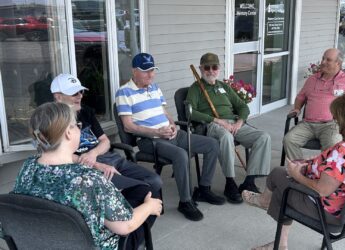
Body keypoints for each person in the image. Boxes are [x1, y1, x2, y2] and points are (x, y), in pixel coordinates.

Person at [13, 102, 163, 249]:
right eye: (77, 125)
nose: (80, 128)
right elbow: (124, 226)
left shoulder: (28, 167)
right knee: (150, 194)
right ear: (68, 133)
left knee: (138, 190)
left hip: (43, 239)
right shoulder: (88, 179)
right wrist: (149, 207)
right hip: (91, 243)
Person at [242, 92, 345, 250]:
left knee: (279, 178)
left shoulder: (344, 153)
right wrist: (318, 162)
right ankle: (278, 239)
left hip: (330, 212)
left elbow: (322, 190)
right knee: (286, 179)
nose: (335, 121)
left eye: (337, 118)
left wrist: (296, 175)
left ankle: (265, 203)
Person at [115, 53, 225, 222]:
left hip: (171, 133)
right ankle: (185, 202)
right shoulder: (124, 92)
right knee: (181, 154)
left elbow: (165, 113)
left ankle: (204, 189)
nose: (150, 74)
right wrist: (156, 133)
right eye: (145, 71)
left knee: (212, 144)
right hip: (149, 140)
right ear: (134, 71)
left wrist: (172, 125)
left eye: (152, 70)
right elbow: (128, 126)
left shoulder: (155, 87)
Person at [50, 73, 162, 218]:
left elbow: (105, 141)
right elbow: (58, 155)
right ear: (58, 96)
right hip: (89, 169)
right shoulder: (52, 121)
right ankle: (126, 225)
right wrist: (94, 163)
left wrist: (93, 153)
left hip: (109, 158)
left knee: (154, 181)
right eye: (74, 93)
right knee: (140, 189)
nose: (80, 96)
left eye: (81, 91)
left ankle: (134, 223)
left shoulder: (85, 111)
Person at [186, 52, 271, 203]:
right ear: (201, 69)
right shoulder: (196, 88)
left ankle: (249, 182)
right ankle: (230, 182)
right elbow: (190, 112)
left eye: (214, 67)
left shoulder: (223, 86)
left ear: (218, 68)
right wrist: (217, 120)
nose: (211, 71)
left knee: (263, 137)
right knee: (226, 136)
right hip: (213, 125)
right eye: (207, 67)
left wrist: (239, 122)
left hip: (234, 123)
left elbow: (242, 106)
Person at [283, 48, 345, 161]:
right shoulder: (312, 79)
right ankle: (299, 170)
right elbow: (301, 96)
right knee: (289, 140)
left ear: (338, 63)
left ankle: (324, 173)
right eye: (323, 58)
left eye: (328, 60)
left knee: (333, 143)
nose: (323, 62)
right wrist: (297, 109)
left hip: (332, 125)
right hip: (308, 124)